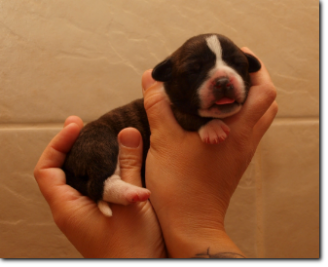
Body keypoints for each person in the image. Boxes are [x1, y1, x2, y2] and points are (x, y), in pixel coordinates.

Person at [34, 48, 277, 258]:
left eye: (235, 64)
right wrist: (196, 226)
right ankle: (105, 185)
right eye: (195, 70)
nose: (222, 79)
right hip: (102, 144)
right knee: (98, 145)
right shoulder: (178, 108)